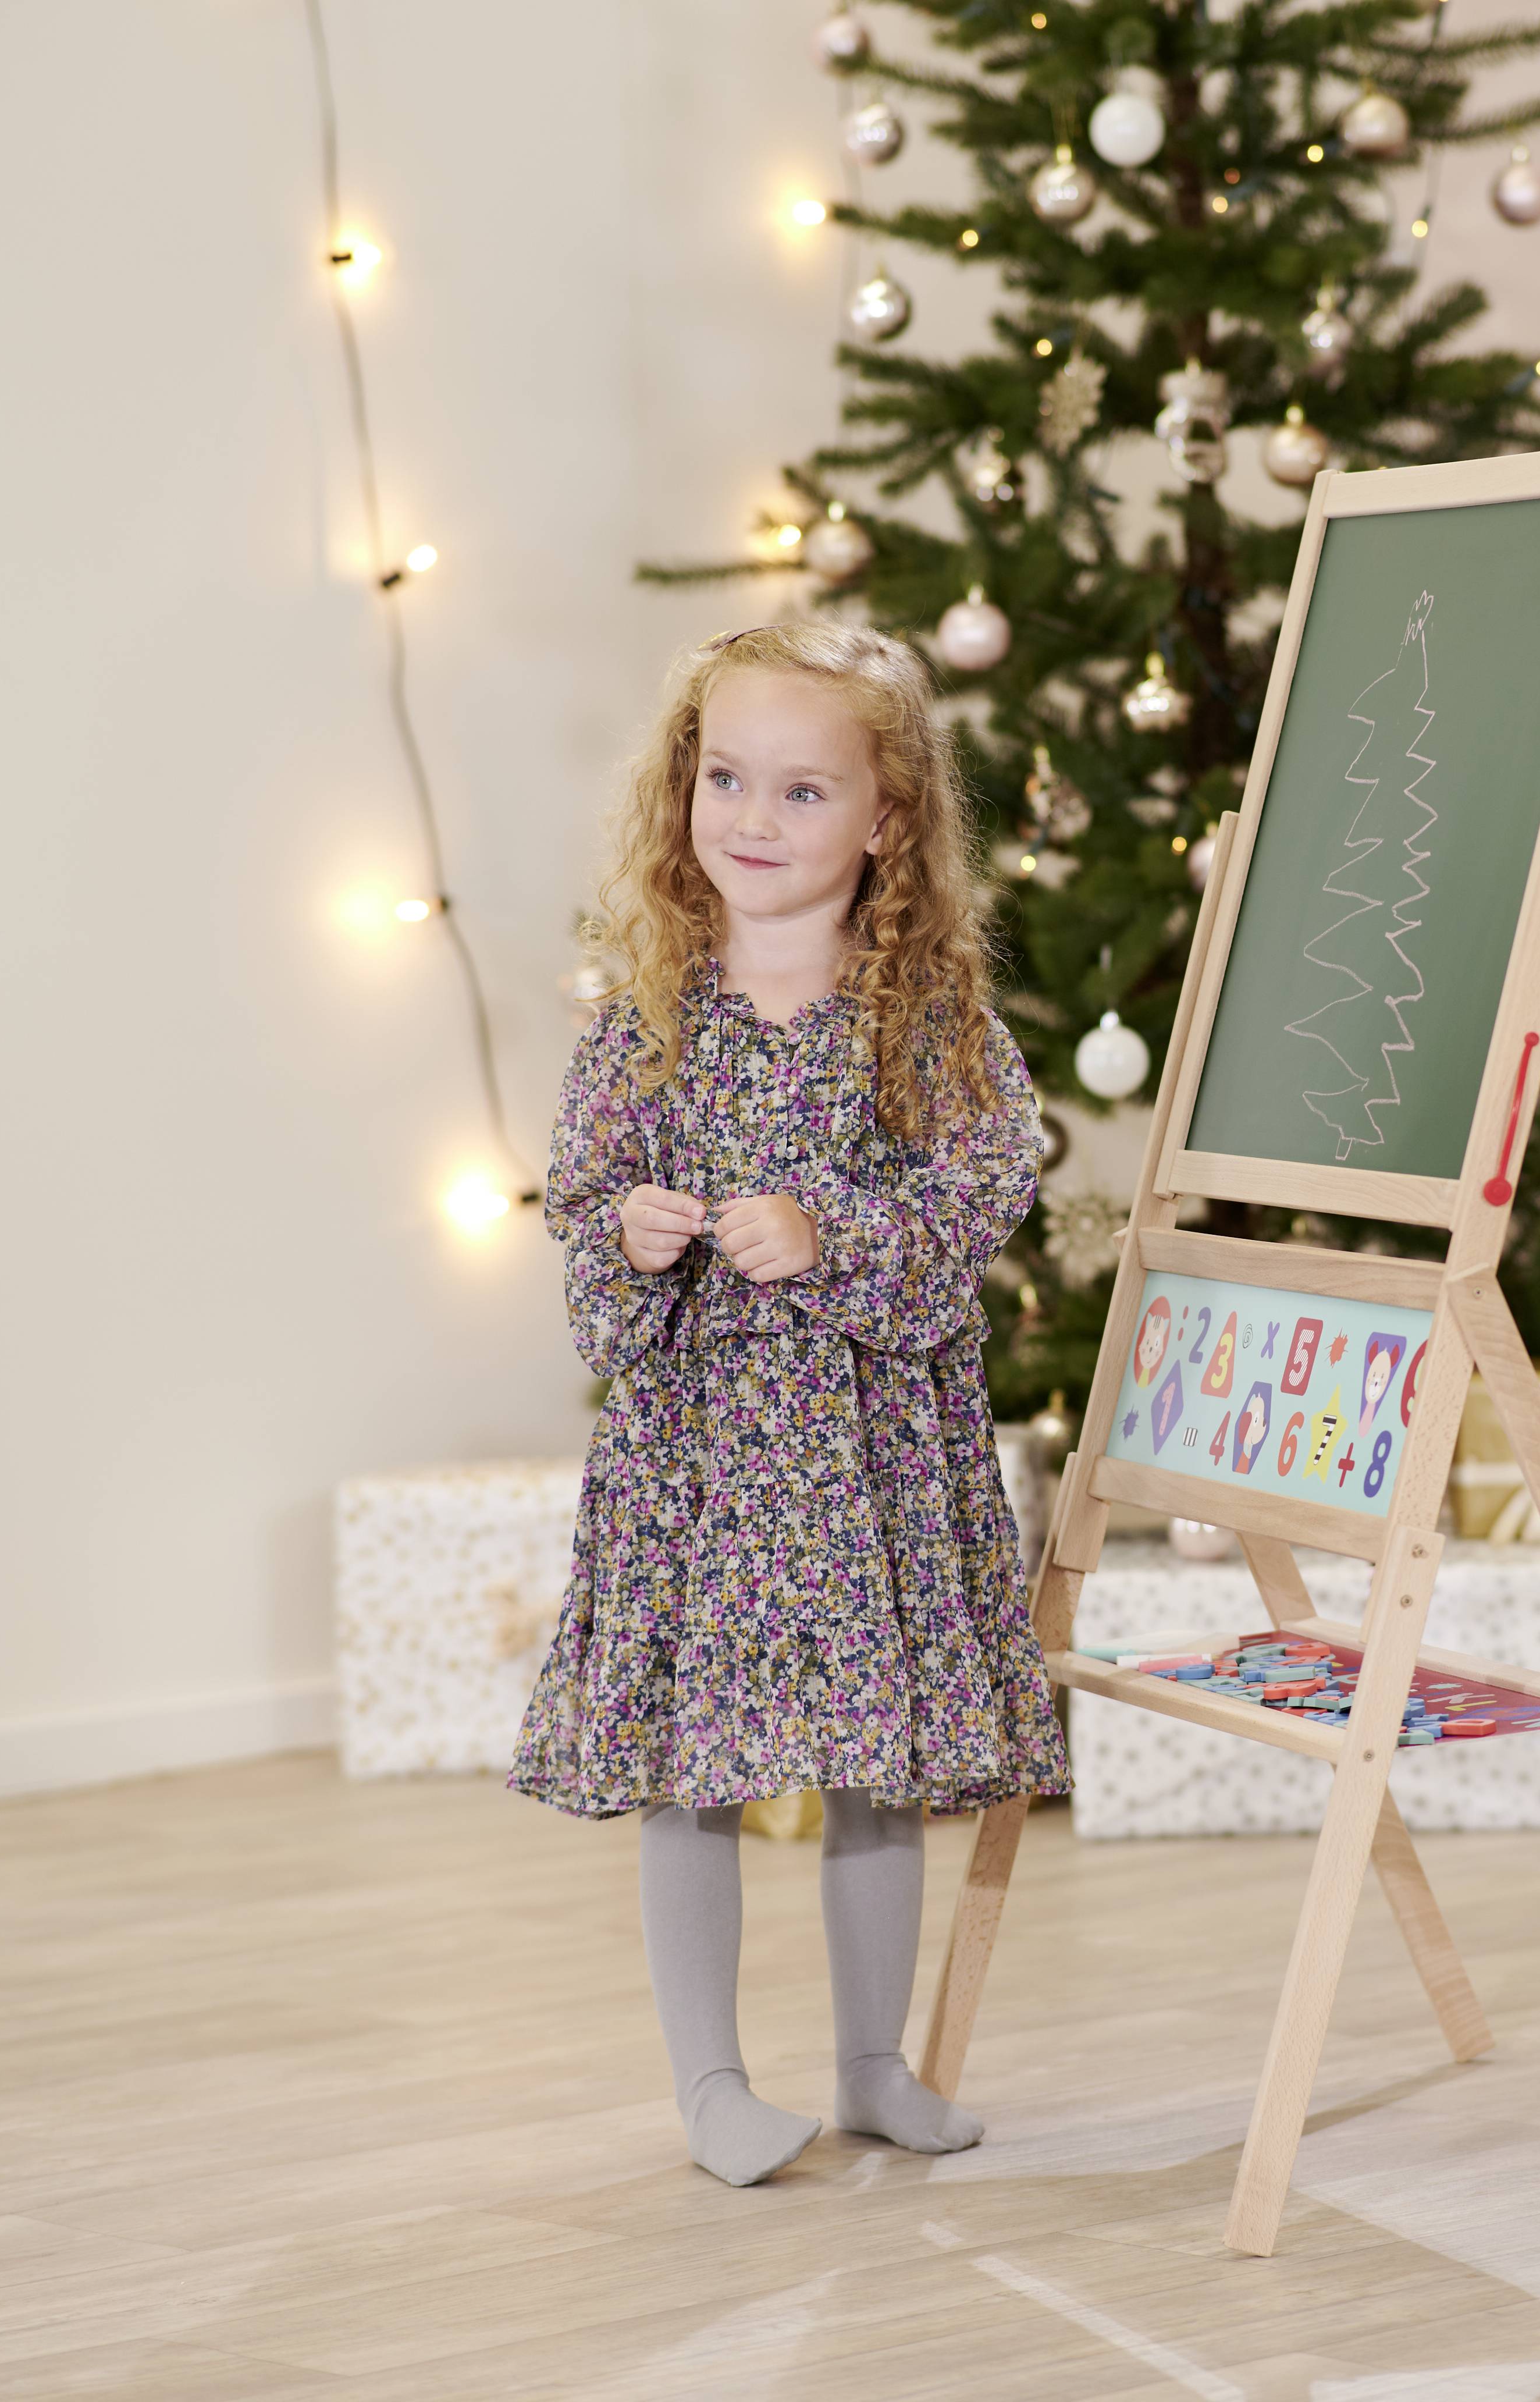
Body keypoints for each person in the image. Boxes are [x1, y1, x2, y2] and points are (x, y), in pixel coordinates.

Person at [510, 621, 1066, 2188]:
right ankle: (709, 2084)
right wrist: (628, 1230)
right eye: (727, 779)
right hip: (703, 1466)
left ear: (886, 821)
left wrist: (841, 1236)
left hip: (869, 1465)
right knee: (701, 1767)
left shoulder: (928, 1019)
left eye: (803, 791)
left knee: (871, 1765)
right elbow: (583, 1203)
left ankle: (878, 2064)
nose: (753, 820)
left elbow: (989, 1181)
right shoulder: (648, 1015)